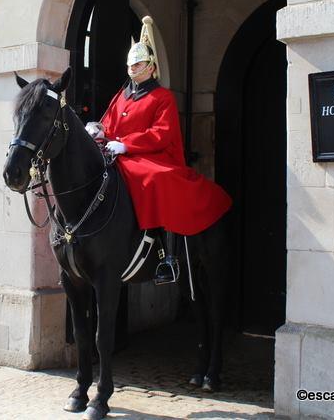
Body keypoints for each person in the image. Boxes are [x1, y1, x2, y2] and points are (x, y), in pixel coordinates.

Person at [91, 16, 232, 284]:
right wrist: (98, 130)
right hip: (120, 154)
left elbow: (161, 133)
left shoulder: (162, 97)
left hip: (153, 155)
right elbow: (108, 123)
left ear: (152, 67)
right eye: (131, 64)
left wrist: (127, 144)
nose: (134, 68)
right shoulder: (122, 94)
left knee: (156, 178)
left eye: (140, 64)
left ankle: (168, 257)